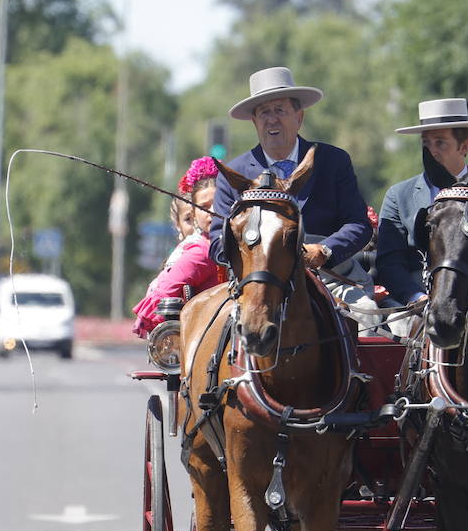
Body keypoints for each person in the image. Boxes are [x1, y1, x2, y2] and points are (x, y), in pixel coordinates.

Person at [207, 67, 376, 328]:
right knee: (223, 329)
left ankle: (356, 372)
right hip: (256, 283)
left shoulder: (333, 161)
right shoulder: (234, 173)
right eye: (264, 112)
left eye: (280, 110)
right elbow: (217, 241)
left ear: (299, 117)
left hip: (330, 276)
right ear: (254, 120)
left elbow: (359, 224)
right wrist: (256, 256)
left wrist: (325, 250)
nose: (272, 120)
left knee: (366, 314)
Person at [375, 98, 468, 320]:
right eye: (426, 143)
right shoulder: (399, 196)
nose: (431, 151)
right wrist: (416, 297)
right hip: (415, 308)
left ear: (465, 147)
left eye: (440, 143)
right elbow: (389, 263)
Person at [132, 157, 226, 338]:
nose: (212, 212)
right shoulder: (201, 251)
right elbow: (163, 293)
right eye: (204, 207)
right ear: (195, 214)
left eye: (218, 203)